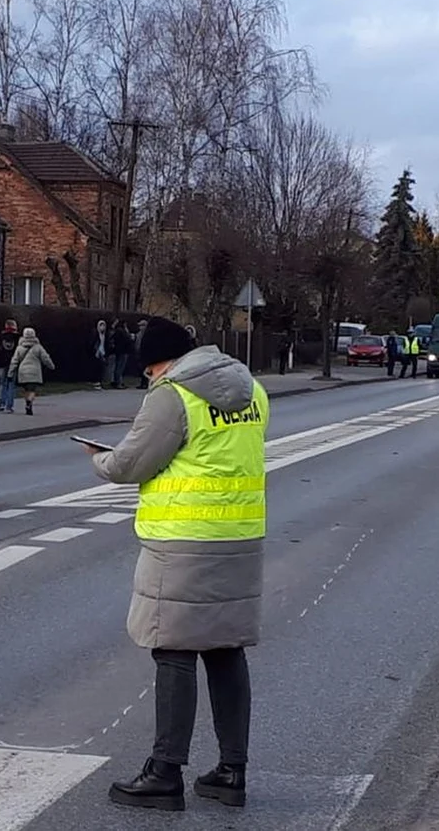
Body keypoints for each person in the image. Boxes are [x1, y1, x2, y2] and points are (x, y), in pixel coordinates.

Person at [82, 315, 268, 813]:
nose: (149, 378)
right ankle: (232, 771)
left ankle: (164, 773)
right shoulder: (253, 390)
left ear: (160, 362)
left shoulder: (173, 395)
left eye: (149, 369)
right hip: (241, 535)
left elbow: (131, 464)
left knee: (174, 650)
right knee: (226, 650)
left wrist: (99, 459)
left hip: (183, 541)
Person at [8, 327, 54, 416]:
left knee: (26, 390)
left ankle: (27, 403)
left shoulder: (19, 348)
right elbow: (46, 358)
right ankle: (29, 403)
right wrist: (51, 366)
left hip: (23, 372)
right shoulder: (38, 347)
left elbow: (14, 361)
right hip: (34, 372)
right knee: (32, 390)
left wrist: (10, 373)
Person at [0, 319, 21, 412]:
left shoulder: (0, 336)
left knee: (2, 383)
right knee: (11, 384)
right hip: (13, 363)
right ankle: (10, 406)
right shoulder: (18, 337)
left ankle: (1, 404)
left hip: (1, 362)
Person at [110, 319, 133, 388]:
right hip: (123, 351)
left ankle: (118, 381)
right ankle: (118, 383)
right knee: (120, 368)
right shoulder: (122, 331)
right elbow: (128, 339)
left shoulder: (116, 331)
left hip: (119, 351)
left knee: (118, 367)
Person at [92, 319, 109, 389]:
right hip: (97, 353)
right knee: (97, 368)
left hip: (103, 353)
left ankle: (100, 382)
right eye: (101, 326)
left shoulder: (105, 335)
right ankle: (96, 382)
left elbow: (106, 344)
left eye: (104, 326)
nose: (102, 327)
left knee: (102, 368)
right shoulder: (95, 334)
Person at [135, 319, 149, 389]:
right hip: (139, 353)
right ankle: (142, 383)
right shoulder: (138, 334)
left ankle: (145, 383)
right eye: (140, 326)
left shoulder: (148, 334)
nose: (140, 327)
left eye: (142, 326)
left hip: (145, 353)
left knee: (145, 369)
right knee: (140, 369)